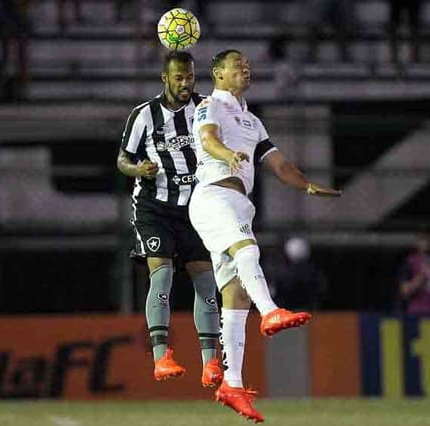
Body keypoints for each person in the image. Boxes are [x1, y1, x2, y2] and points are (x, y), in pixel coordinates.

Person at [189, 49, 341, 422]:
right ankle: (271, 311)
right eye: (236, 64)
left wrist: (306, 186)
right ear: (218, 73)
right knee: (247, 248)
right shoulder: (211, 105)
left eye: (247, 64)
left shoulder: (253, 122)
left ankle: (233, 385)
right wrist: (227, 155)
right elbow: (207, 139)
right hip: (214, 196)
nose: (245, 68)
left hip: (237, 203)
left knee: (235, 294)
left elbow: (280, 164)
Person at [117, 51, 223, 387]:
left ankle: (210, 365)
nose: (185, 83)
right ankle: (162, 356)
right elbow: (123, 159)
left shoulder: (206, 108)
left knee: (207, 285)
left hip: (196, 209)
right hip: (155, 208)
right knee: (161, 278)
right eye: (178, 77)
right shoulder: (144, 115)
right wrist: (138, 169)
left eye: (190, 77)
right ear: (165, 78)